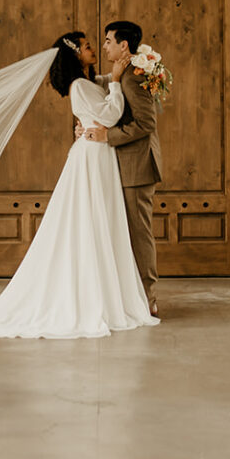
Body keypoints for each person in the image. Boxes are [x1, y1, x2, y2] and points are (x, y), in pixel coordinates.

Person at [0, 32, 159, 339]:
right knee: (92, 222)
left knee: (100, 222)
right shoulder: (80, 86)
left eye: (97, 43)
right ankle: (98, 296)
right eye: (88, 46)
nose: (94, 49)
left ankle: (109, 289)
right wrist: (115, 80)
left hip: (99, 155)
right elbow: (112, 115)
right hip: (93, 157)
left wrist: (113, 82)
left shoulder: (87, 84)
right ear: (74, 55)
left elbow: (102, 107)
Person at [81, 20, 162, 317]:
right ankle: (129, 297)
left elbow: (146, 124)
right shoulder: (124, 74)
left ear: (123, 45)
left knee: (139, 234)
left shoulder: (133, 78)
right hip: (123, 166)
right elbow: (104, 86)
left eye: (107, 41)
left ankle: (149, 296)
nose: (104, 46)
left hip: (137, 167)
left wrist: (107, 136)